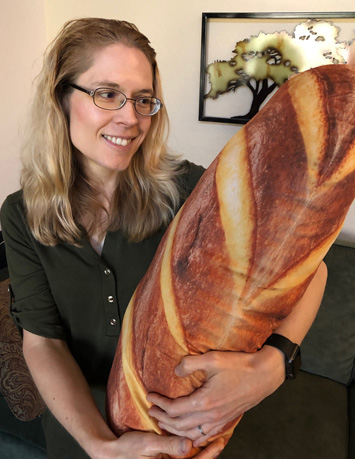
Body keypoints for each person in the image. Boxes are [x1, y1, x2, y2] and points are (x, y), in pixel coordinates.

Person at [0, 17, 327, 459]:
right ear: (61, 97)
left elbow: (313, 269)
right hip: (80, 436)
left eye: (143, 99)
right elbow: (42, 341)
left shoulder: (190, 191)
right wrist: (99, 446)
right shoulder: (21, 214)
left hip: (185, 437)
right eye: (107, 94)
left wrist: (271, 366)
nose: (130, 118)